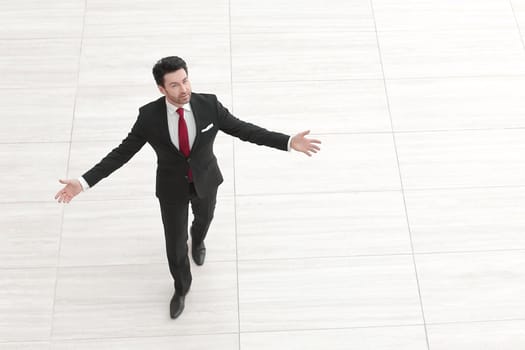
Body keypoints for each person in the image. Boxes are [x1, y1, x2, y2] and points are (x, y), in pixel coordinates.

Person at [55, 56, 321, 319]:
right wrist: (83, 181)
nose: (183, 89)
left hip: (206, 180)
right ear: (161, 89)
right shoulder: (148, 117)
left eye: (185, 81)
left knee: (204, 220)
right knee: (174, 245)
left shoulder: (209, 106)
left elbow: (245, 130)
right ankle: (181, 288)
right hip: (172, 189)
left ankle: (200, 240)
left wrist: (287, 141)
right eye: (174, 85)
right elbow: (121, 153)